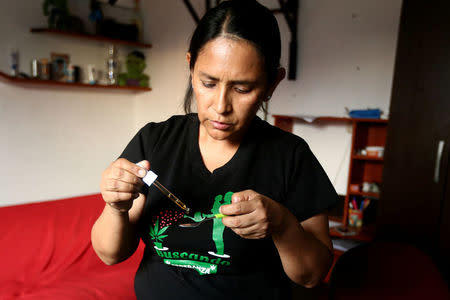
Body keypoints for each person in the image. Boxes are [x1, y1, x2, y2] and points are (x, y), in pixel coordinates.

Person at [91, 1, 338, 299]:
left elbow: (312, 276)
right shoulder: (155, 141)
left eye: (242, 88)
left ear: (272, 83)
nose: (221, 107)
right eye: (208, 83)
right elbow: (109, 254)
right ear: (191, 66)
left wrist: (281, 223)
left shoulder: (290, 156)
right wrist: (115, 207)